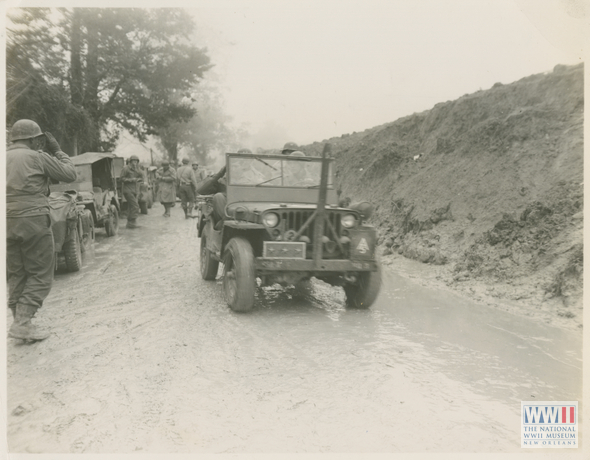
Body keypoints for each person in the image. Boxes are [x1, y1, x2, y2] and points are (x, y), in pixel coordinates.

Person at [6, 119, 77, 341]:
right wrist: (58, 151)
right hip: (33, 218)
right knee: (42, 273)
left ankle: (21, 323)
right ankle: (23, 323)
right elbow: (69, 174)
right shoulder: (37, 157)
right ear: (33, 139)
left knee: (17, 272)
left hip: (6, 220)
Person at [120, 154, 144, 228]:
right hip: (127, 190)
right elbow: (121, 179)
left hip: (134, 190)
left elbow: (142, 176)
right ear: (130, 161)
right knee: (135, 206)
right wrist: (131, 180)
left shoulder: (137, 169)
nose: (135, 163)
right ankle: (132, 221)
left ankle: (129, 223)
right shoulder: (126, 168)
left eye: (136, 161)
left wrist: (140, 177)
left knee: (131, 206)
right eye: (133, 161)